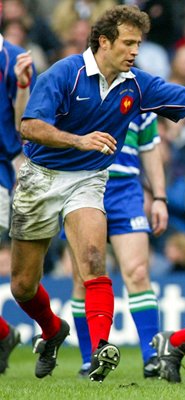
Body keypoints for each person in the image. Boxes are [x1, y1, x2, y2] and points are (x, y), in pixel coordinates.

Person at [10, 4, 185, 382]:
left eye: (139, 43)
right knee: (23, 286)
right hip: (41, 176)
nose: (136, 51)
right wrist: (79, 140)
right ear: (103, 42)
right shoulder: (66, 74)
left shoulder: (137, 83)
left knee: (92, 260)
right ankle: (53, 330)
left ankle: (101, 349)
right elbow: (31, 126)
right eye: (129, 43)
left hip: (89, 179)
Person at [70, 112, 166, 378]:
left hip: (125, 190)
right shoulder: (75, 83)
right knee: (82, 278)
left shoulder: (138, 93)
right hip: (81, 185)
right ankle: (90, 358)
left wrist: (159, 196)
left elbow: (150, 147)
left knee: (138, 272)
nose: (130, 65)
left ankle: (152, 358)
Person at [0, 17, 35, 375]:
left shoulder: (14, 60)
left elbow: (26, 126)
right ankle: (5, 334)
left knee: (22, 280)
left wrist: (23, 87)